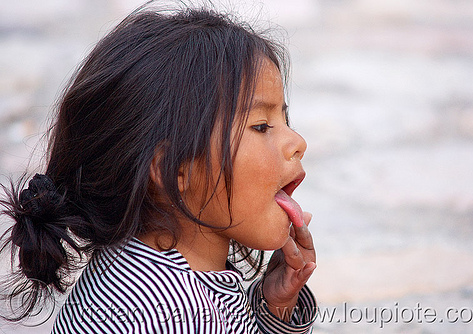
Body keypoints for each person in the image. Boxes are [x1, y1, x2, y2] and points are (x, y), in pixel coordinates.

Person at [0, 3, 318, 333]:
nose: (297, 141)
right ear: (174, 169)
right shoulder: (172, 315)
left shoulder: (150, 275)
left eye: (285, 119)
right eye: (262, 126)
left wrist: (277, 306)